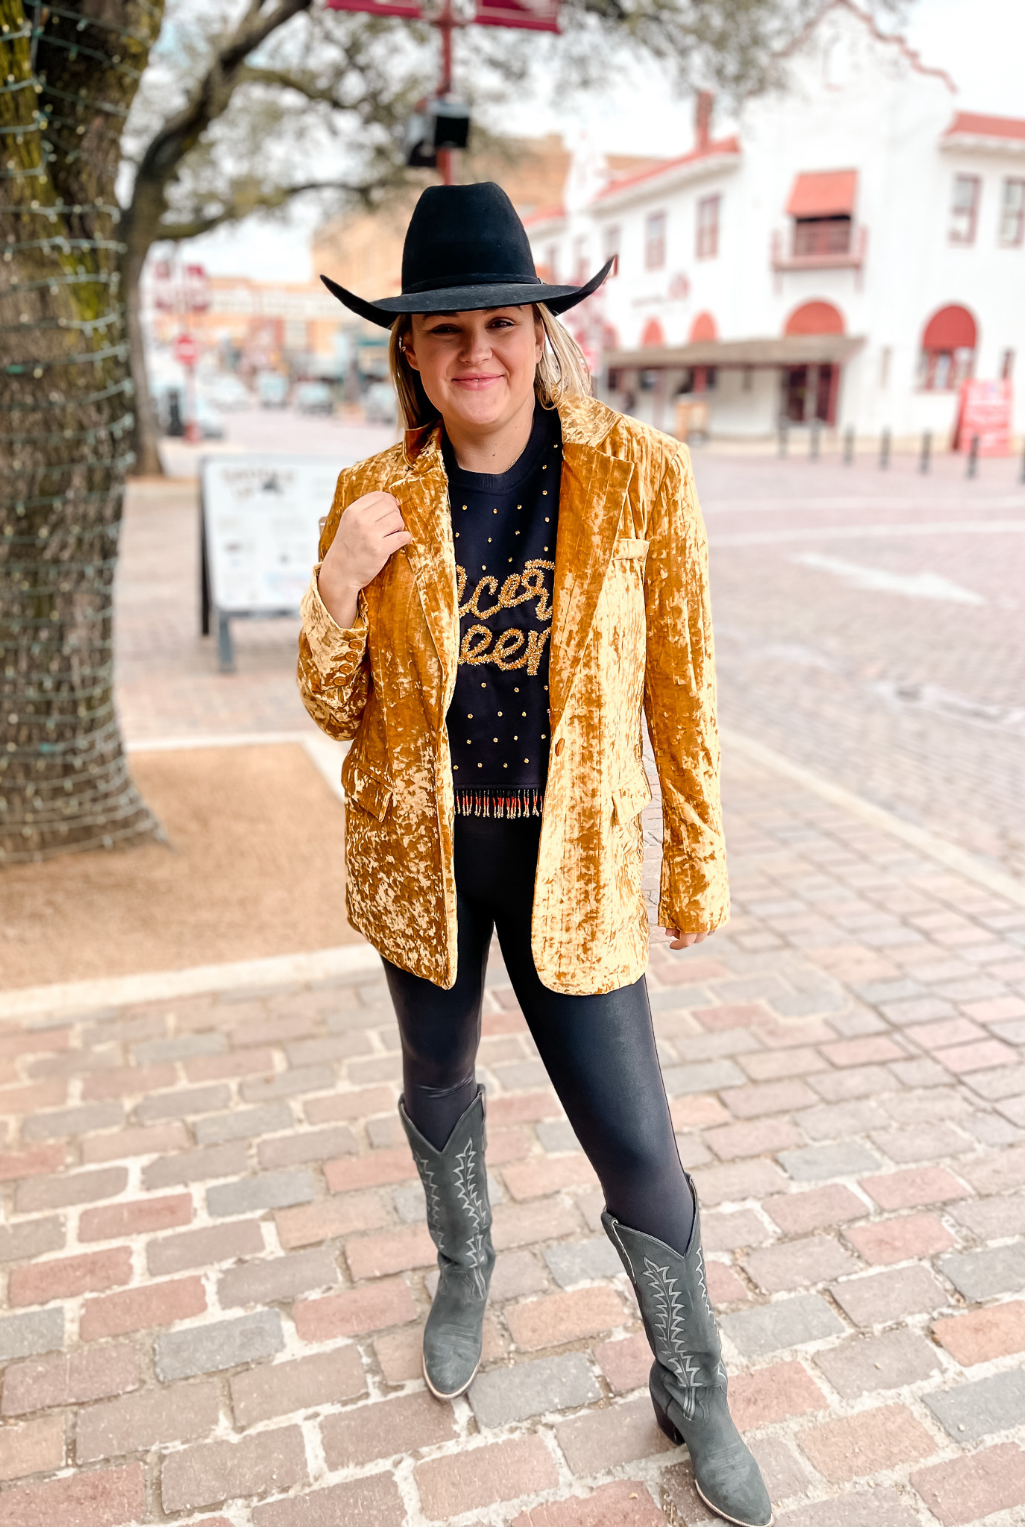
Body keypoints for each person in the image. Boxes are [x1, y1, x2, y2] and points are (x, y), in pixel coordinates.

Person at [299, 182, 772, 1527]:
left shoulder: (636, 478)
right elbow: (333, 703)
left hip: (569, 865)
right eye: (443, 332)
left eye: (498, 323)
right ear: (409, 350)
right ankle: (464, 1262)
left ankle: (694, 1381)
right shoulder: (373, 494)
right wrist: (339, 585)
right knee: (437, 1078)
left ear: (538, 330)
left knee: (639, 1145)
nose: (475, 354)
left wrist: (693, 865)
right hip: (427, 860)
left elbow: (681, 689)